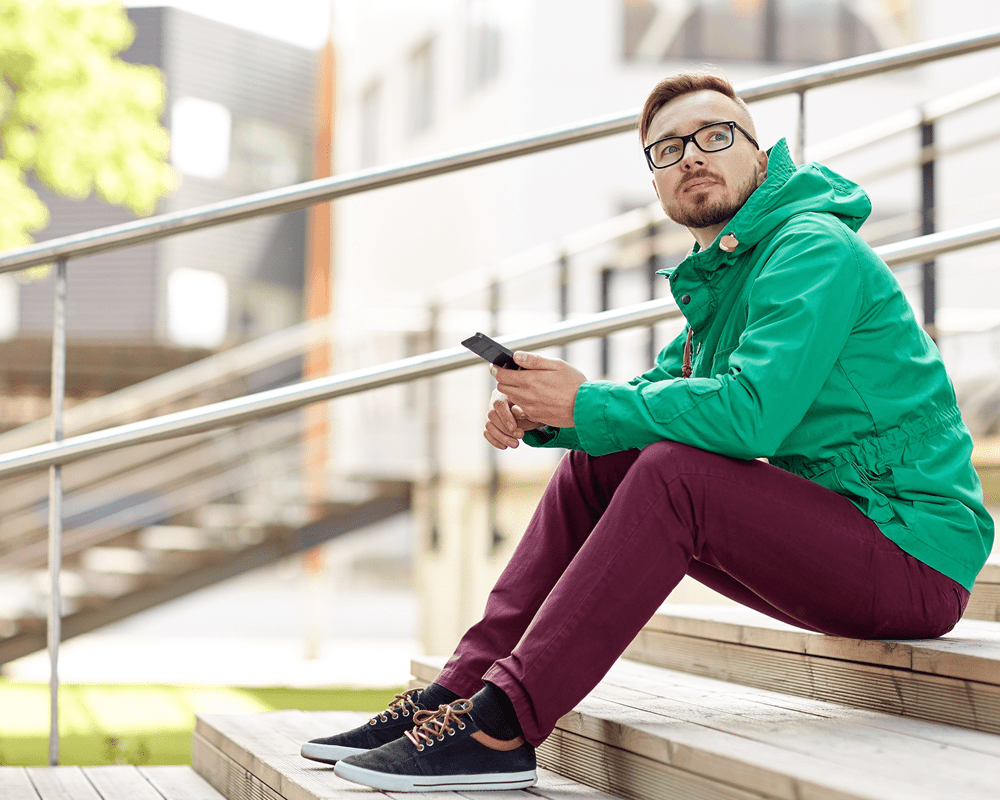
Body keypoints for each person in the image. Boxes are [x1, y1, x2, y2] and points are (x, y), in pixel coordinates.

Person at [301, 71, 994, 793]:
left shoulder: (811, 249)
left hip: (912, 552)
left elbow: (752, 414)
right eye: (667, 149)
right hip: (842, 535)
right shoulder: (725, 279)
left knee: (672, 473)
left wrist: (587, 405)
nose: (692, 155)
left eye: (715, 136)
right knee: (610, 460)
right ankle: (456, 696)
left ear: (762, 157)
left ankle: (503, 726)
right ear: (657, 184)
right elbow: (643, 400)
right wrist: (547, 412)